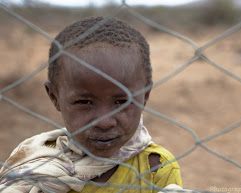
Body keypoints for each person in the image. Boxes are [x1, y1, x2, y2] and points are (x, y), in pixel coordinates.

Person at [0, 17, 182, 193]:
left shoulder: (156, 167)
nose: (105, 122)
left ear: (145, 97)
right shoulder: (34, 162)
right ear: (54, 97)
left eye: (121, 102)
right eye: (84, 102)